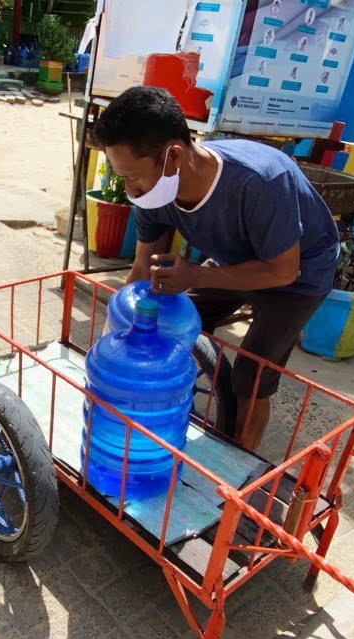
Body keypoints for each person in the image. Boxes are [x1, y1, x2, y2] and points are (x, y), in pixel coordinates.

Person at [92, 86, 339, 451]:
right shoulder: (154, 190)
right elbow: (143, 269)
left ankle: (239, 466)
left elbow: (282, 271)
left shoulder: (261, 181)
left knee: (251, 378)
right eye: (123, 178)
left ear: (173, 156)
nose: (131, 189)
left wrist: (196, 275)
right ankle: (167, 411)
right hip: (233, 261)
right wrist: (111, 338)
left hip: (298, 274)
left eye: (134, 177)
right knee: (162, 323)